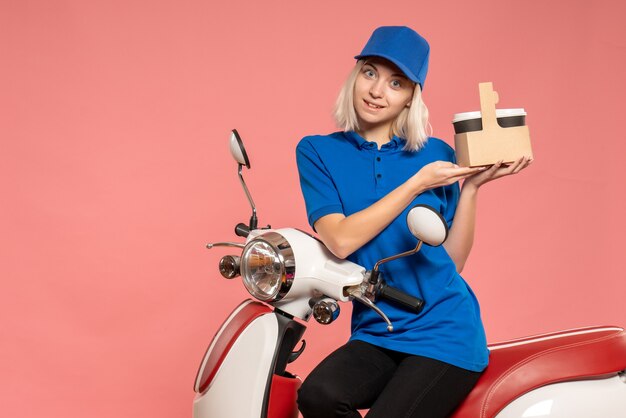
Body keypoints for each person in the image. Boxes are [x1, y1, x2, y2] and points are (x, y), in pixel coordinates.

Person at [295, 26, 532, 418]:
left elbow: (451, 263)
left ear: (411, 98)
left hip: (445, 332)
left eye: (396, 83)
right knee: (317, 396)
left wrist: (471, 189)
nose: (377, 91)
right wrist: (416, 184)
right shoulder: (318, 152)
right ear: (355, 77)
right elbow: (339, 241)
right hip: (379, 328)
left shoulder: (435, 153)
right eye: (370, 73)